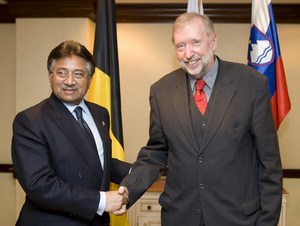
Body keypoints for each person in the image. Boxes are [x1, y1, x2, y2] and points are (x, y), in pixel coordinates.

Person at [119, 12, 283, 226]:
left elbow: (269, 164)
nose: (188, 54)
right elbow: (156, 152)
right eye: (180, 46)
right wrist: (128, 190)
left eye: (195, 42)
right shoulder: (161, 91)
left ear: (213, 41)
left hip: (238, 219)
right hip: (180, 218)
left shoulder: (252, 85)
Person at [11, 40, 131, 226]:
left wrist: (139, 171)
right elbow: (39, 185)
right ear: (50, 77)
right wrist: (101, 201)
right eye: (61, 73)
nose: (69, 81)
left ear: (90, 80)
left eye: (78, 74)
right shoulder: (30, 120)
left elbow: (97, 161)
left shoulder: (100, 113)